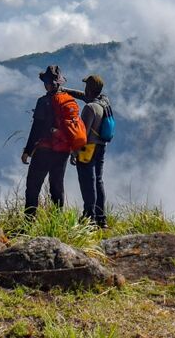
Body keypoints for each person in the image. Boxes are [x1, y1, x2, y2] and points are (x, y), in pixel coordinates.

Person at [22, 65, 85, 217]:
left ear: (47, 83)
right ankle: (57, 220)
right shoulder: (69, 100)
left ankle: (28, 222)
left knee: (33, 186)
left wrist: (27, 151)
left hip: (44, 151)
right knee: (57, 187)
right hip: (62, 151)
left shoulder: (43, 102)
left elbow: (36, 129)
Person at [65, 75, 111, 228]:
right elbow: (83, 96)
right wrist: (65, 90)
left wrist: (74, 153)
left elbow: (81, 133)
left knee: (87, 182)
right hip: (101, 146)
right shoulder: (104, 102)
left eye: (86, 87)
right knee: (98, 180)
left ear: (89, 89)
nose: (84, 90)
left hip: (87, 148)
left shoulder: (89, 108)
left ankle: (88, 217)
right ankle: (101, 218)